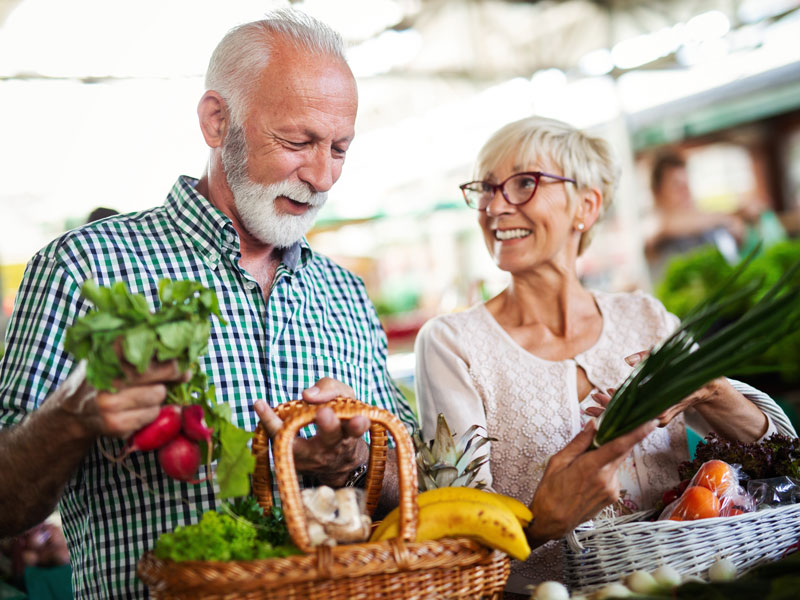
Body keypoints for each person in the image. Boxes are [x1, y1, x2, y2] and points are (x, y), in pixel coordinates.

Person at [0, 12, 659, 599]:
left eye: (339, 148)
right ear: (215, 120)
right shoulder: (84, 268)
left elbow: (419, 489)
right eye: (297, 142)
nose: (321, 177)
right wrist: (69, 418)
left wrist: (356, 460)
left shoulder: (341, 293)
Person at [414, 116, 797, 596]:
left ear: (587, 205)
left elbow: (784, 456)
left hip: (693, 587)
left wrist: (711, 391)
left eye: (523, 184)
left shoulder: (646, 319)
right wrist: (541, 523)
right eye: (485, 189)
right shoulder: (453, 343)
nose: (494, 207)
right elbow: (456, 535)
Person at [644, 152, 753, 282]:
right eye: (676, 184)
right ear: (657, 192)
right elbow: (668, 226)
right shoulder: (653, 225)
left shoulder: (704, 225)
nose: (685, 190)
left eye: (687, 183)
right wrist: (728, 218)